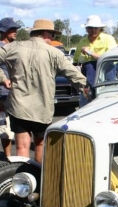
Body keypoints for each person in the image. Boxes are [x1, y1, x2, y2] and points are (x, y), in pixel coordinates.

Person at [0, 19, 88, 164]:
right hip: (43, 108)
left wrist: (3, 78)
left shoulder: (14, 47)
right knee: (40, 145)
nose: (53, 38)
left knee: (22, 147)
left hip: (19, 106)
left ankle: (23, 181)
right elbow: (75, 76)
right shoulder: (55, 53)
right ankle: (38, 180)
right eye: (53, 34)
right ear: (46, 33)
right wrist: (90, 91)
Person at [73, 15, 117, 107]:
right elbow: (76, 61)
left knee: (107, 105)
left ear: (100, 28)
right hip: (87, 81)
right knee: (85, 106)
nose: (93, 30)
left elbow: (111, 58)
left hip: (106, 79)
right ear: (86, 28)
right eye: (90, 28)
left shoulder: (108, 39)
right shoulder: (83, 41)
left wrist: (90, 52)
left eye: (95, 28)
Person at [0, 17, 20, 160]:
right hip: (3, 93)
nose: (15, 32)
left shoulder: (16, 47)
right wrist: (4, 80)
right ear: (4, 31)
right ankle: (8, 158)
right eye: (12, 29)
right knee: (5, 126)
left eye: (16, 29)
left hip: (18, 92)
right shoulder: (0, 47)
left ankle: (18, 157)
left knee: (18, 125)